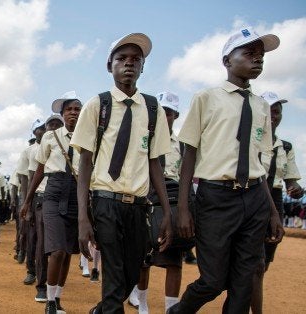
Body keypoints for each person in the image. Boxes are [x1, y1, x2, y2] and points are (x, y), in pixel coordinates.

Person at [169, 28, 285, 313]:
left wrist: (271, 211)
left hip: (255, 198)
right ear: (227, 61)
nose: (257, 59)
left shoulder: (260, 107)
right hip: (216, 199)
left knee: (244, 283)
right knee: (212, 280)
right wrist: (184, 208)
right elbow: (189, 157)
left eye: (260, 55)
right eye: (249, 53)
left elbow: (258, 164)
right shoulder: (206, 98)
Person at [71, 33, 173, 314]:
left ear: (143, 67)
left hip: (139, 206)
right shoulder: (98, 105)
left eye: (136, 59)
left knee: (131, 272)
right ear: (109, 66)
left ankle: (101, 310)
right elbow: (85, 163)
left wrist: (165, 212)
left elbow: (155, 164)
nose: (129, 64)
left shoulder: (152, 109)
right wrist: (83, 216)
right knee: (114, 272)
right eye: (122, 58)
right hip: (105, 201)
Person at [20, 91, 82, 313]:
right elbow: (38, 171)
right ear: (63, 114)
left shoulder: (88, 136)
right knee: (56, 250)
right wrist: (27, 201)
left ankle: (58, 298)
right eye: (69, 109)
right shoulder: (50, 137)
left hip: (77, 194)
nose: (73, 113)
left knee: (67, 253)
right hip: (53, 193)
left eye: (77, 109)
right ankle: (50, 301)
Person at [128, 91, 185, 313]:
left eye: (169, 112)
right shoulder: (142, 139)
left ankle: (171, 308)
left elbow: (188, 178)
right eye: (160, 112)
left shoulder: (182, 145)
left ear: (176, 116)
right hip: (145, 201)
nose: (164, 116)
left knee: (174, 259)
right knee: (144, 258)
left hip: (171, 202)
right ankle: (142, 304)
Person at [250, 91, 303, 313]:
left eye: (277, 111)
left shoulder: (286, 148)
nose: (273, 115)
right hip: (251, 199)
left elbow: (292, 181)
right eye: (269, 110)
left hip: (276, 201)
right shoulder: (250, 140)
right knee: (256, 264)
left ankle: (246, 295)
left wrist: (296, 189)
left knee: (264, 264)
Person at [24, 114, 63, 304]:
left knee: (59, 247)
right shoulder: (39, 149)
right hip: (41, 199)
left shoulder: (69, 144)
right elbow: (33, 176)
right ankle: (41, 285)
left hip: (62, 199)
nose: (54, 128)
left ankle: (54, 287)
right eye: (51, 124)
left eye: (58, 124)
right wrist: (28, 205)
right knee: (41, 244)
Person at [19, 120, 46, 286]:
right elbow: (25, 179)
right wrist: (26, 204)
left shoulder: (54, 145)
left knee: (44, 239)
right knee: (33, 236)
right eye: (39, 128)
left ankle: (44, 271)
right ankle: (31, 270)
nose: (43, 131)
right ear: (34, 132)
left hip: (51, 195)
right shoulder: (29, 151)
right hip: (35, 196)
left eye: (45, 127)